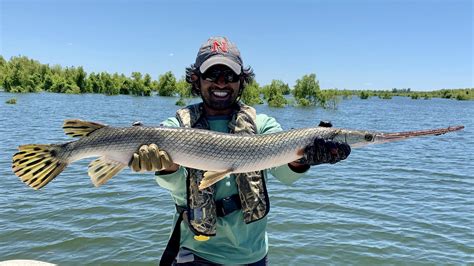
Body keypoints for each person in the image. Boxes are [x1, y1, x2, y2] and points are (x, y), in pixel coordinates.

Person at [129, 36, 351, 266]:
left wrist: (303, 158)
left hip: (253, 256)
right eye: (213, 74)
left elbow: (285, 175)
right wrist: (166, 168)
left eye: (231, 76)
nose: (222, 83)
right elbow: (174, 187)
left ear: (241, 81)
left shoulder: (262, 125)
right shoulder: (177, 126)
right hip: (196, 254)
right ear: (196, 79)